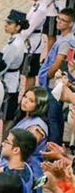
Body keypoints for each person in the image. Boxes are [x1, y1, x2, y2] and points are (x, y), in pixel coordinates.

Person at [0, 87, 49, 193]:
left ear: (39, 105)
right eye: (25, 97)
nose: (25, 101)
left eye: (31, 100)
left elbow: (25, 150)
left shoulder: (36, 127)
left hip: (26, 172)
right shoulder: (25, 117)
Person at [38, 8, 75, 143]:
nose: (59, 22)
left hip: (54, 83)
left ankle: (53, 143)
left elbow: (59, 61)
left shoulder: (66, 41)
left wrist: (48, 74)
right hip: (56, 82)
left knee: (53, 116)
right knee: (55, 115)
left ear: (71, 24)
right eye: (59, 19)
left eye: (64, 20)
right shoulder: (64, 38)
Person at [1, 10, 28, 135]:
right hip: (12, 79)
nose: (6, 25)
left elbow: (4, 65)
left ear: (18, 27)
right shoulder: (16, 40)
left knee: (7, 116)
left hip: (9, 82)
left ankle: (3, 141)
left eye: (10, 23)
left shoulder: (14, 45)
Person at [21, 0, 47, 91]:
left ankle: (28, 93)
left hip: (33, 43)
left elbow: (29, 28)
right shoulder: (36, 5)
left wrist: (20, 37)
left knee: (30, 73)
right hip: (30, 41)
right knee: (27, 72)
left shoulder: (40, 9)